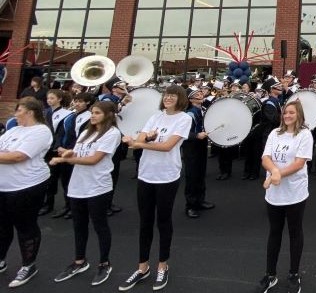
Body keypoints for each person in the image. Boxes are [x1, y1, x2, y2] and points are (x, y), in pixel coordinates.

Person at [119, 85, 192, 291]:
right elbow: (141, 139)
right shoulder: (155, 116)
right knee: (145, 222)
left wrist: (141, 143)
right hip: (146, 174)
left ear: (181, 99)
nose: (169, 98)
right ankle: (142, 267)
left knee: (163, 221)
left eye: (173, 95)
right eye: (167, 95)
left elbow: (168, 146)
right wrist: (145, 139)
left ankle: (162, 265)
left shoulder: (184, 119)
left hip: (167, 176)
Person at [50, 101, 122, 286]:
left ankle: (104, 263)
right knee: (79, 225)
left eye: (97, 113)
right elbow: (78, 151)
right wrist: (66, 152)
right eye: (92, 112)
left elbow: (94, 159)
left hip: (98, 186)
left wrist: (63, 160)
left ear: (107, 115)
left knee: (100, 225)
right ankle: (79, 261)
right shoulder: (86, 131)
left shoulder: (112, 133)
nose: (93, 115)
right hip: (78, 186)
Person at [258, 100, 313, 293]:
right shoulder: (275, 133)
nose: (287, 116)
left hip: (295, 193)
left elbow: (299, 163)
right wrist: (274, 170)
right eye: (285, 113)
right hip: (274, 193)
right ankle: (270, 274)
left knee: (295, 232)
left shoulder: (305, 135)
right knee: (274, 232)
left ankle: (294, 274)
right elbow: (265, 158)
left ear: (298, 115)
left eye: (291, 113)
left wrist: (279, 174)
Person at [0, 97, 53, 288]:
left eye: (19, 110)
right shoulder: (14, 129)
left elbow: (18, 156)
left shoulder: (41, 131)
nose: (15, 114)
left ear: (30, 112)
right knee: (2, 225)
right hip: (4, 186)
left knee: (25, 226)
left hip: (26, 186)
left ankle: (28, 266)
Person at [181, 88, 214, 219]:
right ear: (190, 99)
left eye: (201, 93)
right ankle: (190, 206)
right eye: (196, 94)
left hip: (201, 145)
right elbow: (183, 134)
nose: (200, 95)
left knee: (201, 173)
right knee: (192, 176)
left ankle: (200, 200)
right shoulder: (189, 114)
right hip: (191, 147)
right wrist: (196, 135)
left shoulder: (203, 110)